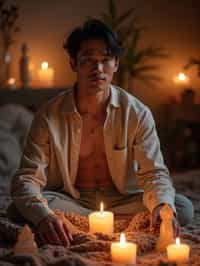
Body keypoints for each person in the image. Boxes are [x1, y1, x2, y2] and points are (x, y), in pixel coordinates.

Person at [8, 19, 193, 247]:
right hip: (71, 199)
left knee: (180, 208)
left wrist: (162, 208)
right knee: (18, 208)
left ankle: (75, 224)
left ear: (116, 64)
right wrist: (44, 216)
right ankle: (116, 223)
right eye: (88, 61)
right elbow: (27, 177)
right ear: (73, 63)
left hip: (124, 198)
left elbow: (154, 173)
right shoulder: (48, 114)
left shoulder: (136, 113)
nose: (98, 69)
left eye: (106, 60)